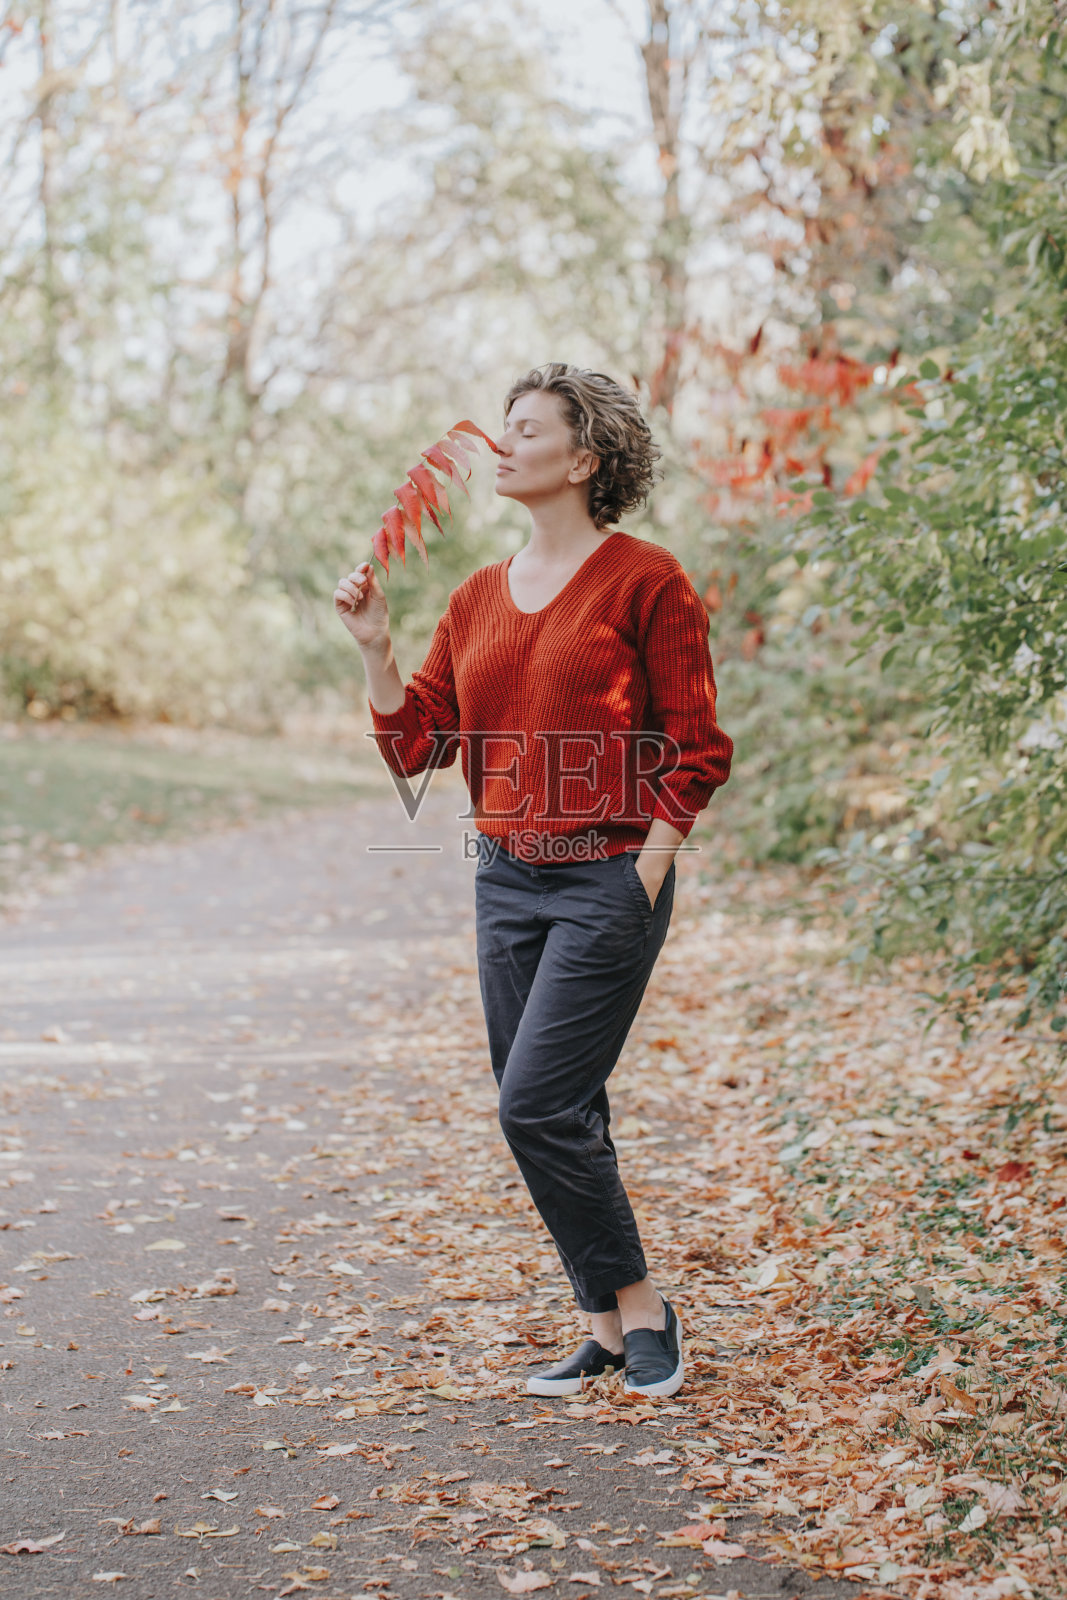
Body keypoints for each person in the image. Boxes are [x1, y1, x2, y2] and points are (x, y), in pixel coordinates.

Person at [334, 363, 732, 1398]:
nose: (497, 446)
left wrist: (642, 873)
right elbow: (419, 744)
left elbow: (696, 748)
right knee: (559, 1102)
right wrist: (376, 649)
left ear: (584, 457)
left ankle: (642, 1306)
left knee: (534, 1105)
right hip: (506, 879)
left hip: (607, 871)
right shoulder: (473, 598)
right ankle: (602, 1326)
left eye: (522, 430)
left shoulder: (648, 580)